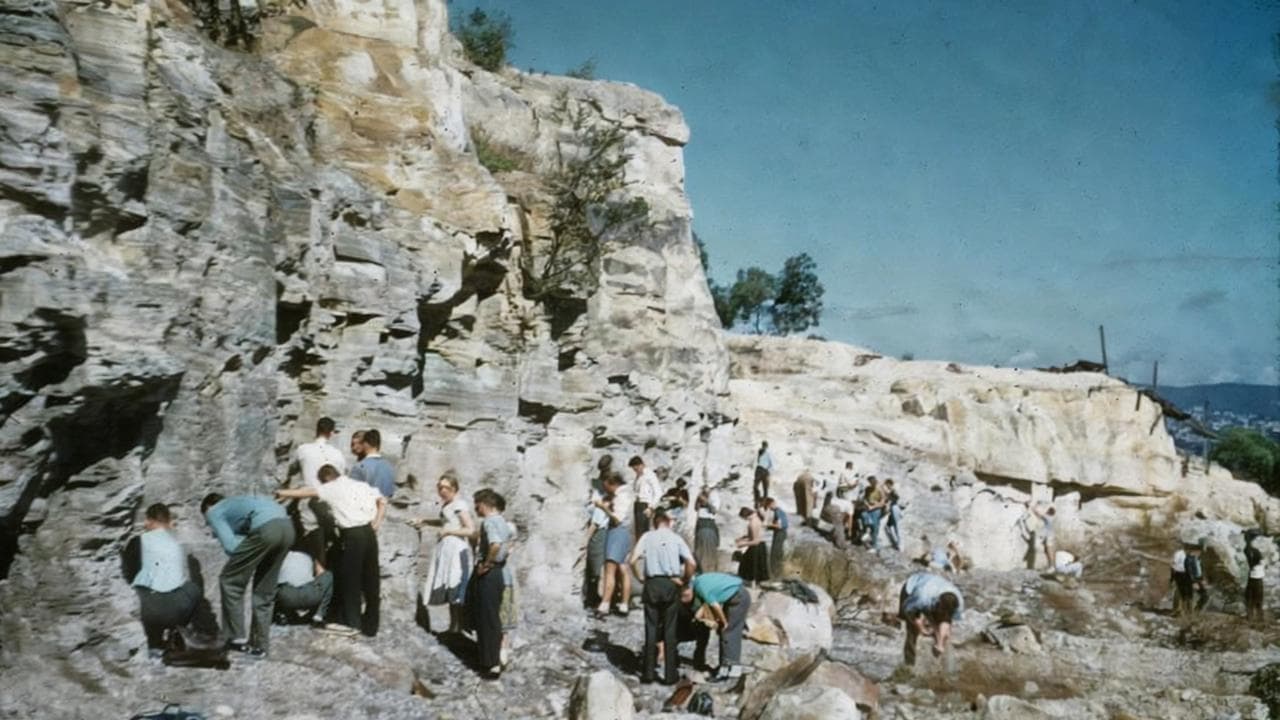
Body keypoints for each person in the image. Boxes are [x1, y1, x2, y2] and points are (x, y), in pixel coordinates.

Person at [276, 464, 386, 636]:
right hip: (369, 533)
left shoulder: (332, 488)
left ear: (325, 479)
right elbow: (382, 501)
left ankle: (352, 624)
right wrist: (377, 522)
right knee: (371, 578)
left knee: (352, 580)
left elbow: (307, 492)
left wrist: (282, 493)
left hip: (352, 535)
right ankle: (371, 626)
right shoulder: (360, 485)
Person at [201, 492, 295, 657]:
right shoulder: (241, 502)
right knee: (264, 590)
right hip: (288, 529)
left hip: (267, 530)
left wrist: (245, 549)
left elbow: (231, 547)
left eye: (209, 523)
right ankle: (260, 646)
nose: (211, 525)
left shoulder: (214, 511)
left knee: (230, 581)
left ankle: (236, 638)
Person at [121, 503, 217, 657]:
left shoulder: (138, 541)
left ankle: (154, 644)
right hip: (180, 611)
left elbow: (128, 574)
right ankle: (178, 631)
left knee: (141, 589)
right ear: (168, 521)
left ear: (148, 521)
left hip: (150, 610)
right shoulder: (178, 543)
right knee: (188, 589)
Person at [628, 509, 697, 685]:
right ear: (667, 521)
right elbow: (691, 563)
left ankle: (648, 673)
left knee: (650, 627)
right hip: (670, 583)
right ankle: (669, 674)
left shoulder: (647, 536)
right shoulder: (676, 538)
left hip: (651, 583)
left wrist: (639, 577)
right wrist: (685, 580)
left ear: (655, 521)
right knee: (669, 628)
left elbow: (632, 560)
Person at [415, 471, 475, 634]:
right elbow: (445, 522)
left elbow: (470, 529)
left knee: (455, 585)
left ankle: (459, 626)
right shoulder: (447, 505)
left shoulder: (460, 505)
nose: (442, 491)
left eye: (446, 488)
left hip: (456, 549)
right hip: (446, 549)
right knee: (449, 586)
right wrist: (426, 521)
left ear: (454, 488)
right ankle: (453, 626)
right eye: (440, 487)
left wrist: (449, 533)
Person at [470, 488, 515, 679]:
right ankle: (493, 658)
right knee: (493, 616)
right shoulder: (504, 523)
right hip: (499, 572)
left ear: (485, 504)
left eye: (477, 504)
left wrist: (486, 564)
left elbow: (495, 544)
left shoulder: (489, 522)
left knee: (486, 617)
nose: (475, 508)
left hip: (490, 571)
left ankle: (490, 663)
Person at [291, 417, 346, 565]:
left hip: (307, 504)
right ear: (331, 433)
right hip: (329, 506)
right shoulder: (337, 454)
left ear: (317, 430)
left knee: (310, 551)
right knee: (324, 551)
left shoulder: (303, 449)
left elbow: (291, 469)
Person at [684, 572, 752, 682]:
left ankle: (731, 669)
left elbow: (715, 605)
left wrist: (724, 622)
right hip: (735, 595)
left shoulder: (700, 587)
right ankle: (724, 666)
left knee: (729, 632)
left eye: (685, 595)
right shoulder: (698, 581)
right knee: (725, 631)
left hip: (738, 597)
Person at [897, 571, 964, 666]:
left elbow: (946, 623)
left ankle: (939, 665)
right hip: (912, 587)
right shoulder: (922, 597)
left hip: (935, 591)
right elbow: (908, 610)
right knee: (912, 631)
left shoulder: (959, 604)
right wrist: (921, 628)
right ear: (937, 603)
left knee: (942, 633)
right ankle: (909, 665)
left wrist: (940, 644)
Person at [274, 548, 342, 633]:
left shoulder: (280, 557)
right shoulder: (309, 556)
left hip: (287, 597)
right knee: (328, 575)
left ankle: (282, 614)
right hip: (309, 595)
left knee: (278, 586)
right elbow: (322, 572)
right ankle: (319, 615)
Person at [595, 472, 635, 616]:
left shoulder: (621, 496)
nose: (606, 490)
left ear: (612, 483)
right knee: (623, 568)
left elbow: (617, 519)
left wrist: (603, 508)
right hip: (625, 532)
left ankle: (604, 604)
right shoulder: (627, 493)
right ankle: (624, 604)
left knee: (610, 568)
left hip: (618, 531)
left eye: (606, 486)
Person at [350, 428, 395, 498]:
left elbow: (352, 494)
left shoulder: (359, 467)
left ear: (365, 444)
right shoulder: (389, 466)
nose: (355, 448)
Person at [735, 506, 769, 585]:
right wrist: (743, 538)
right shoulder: (757, 519)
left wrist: (742, 544)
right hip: (761, 545)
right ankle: (755, 583)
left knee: (748, 567)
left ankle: (752, 584)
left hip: (757, 547)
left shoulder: (752, 523)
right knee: (756, 568)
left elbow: (755, 541)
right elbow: (754, 535)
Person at [631, 456, 662, 535]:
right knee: (638, 532)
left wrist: (651, 507)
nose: (635, 471)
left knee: (643, 532)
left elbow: (658, 492)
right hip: (638, 504)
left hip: (645, 505)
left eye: (636, 469)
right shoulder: (639, 476)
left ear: (641, 465)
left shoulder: (649, 475)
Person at [693, 484, 721, 572]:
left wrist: (706, 501)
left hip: (708, 523)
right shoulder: (701, 495)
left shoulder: (714, 496)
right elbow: (696, 508)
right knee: (699, 550)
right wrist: (699, 499)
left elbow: (714, 511)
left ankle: (710, 570)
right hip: (700, 523)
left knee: (709, 550)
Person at [1025, 500, 1056, 569]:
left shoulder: (1048, 517)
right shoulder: (1050, 517)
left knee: (1048, 549)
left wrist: (1030, 505)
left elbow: (1037, 512)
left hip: (1047, 534)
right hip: (1048, 534)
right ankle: (1051, 566)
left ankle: (1051, 566)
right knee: (1048, 549)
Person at [765, 497, 788, 579]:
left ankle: (776, 573)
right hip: (780, 534)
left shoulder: (778, 512)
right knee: (777, 553)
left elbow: (780, 525)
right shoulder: (778, 512)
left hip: (780, 534)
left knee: (775, 554)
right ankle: (776, 572)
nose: (769, 508)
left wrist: (768, 525)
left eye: (768, 506)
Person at [861, 477, 888, 549]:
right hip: (868, 508)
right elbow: (865, 498)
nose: (871, 483)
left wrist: (873, 507)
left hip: (876, 509)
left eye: (872, 482)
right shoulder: (868, 489)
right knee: (863, 516)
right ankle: (867, 533)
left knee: (875, 526)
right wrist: (867, 504)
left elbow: (882, 502)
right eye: (870, 482)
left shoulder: (880, 489)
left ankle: (874, 544)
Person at [1245, 530, 1265, 624]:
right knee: (1257, 596)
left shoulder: (1248, 549)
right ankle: (1258, 617)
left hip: (1252, 575)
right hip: (1256, 575)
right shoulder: (1254, 550)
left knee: (1251, 596)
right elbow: (1259, 563)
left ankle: (1251, 616)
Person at [1186, 541, 1208, 613]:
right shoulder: (1188, 560)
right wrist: (1193, 582)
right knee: (1189, 597)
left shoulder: (1198, 559)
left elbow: (1200, 571)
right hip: (1191, 580)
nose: (1200, 553)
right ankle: (1188, 612)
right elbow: (1189, 572)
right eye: (1199, 552)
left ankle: (1197, 610)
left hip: (1198, 579)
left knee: (1205, 596)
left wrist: (1203, 579)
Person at [1170, 545, 1192, 615]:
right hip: (1179, 573)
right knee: (1179, 591)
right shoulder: (1179, 553)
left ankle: (1185, 610)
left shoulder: (1187, 555)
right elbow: (1173, 565)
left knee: (1186, 592)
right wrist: (1173, 577)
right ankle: (1176, 609)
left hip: (1186, 574)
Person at [883, 479, 904, 551]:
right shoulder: (890, 491)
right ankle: (895, 542)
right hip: (892, 507)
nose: (887, 486)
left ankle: (900, 543)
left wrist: (891, 491)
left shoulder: (895, 489)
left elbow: (897, 497)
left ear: (890, 484)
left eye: (887, 485)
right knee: (888, 526)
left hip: (895, 507)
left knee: (897, 525)